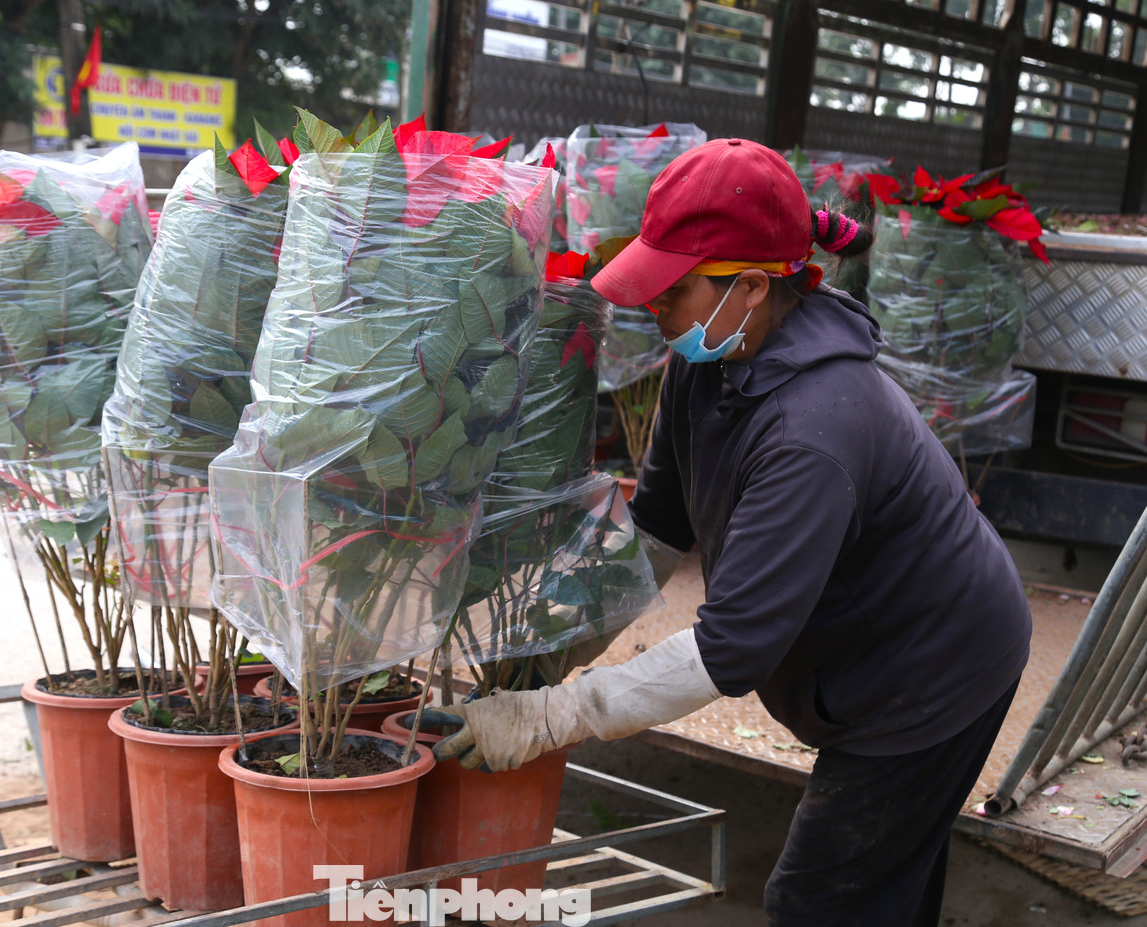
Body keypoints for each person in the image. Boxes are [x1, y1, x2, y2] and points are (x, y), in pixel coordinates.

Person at [431, 138, 1032, 925]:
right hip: (868, 654)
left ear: (750, 286)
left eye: (670, 291)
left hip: (932, 675)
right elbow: (654, 532)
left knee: (820, 899)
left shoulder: (811, 432)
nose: (655, 310)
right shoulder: (708, 358)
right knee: (882, 889)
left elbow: (732, 648)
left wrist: (553, 715)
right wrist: (542, 657)